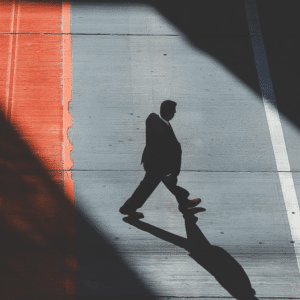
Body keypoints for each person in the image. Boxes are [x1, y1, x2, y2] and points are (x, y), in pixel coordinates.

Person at [120, 100, 201, 219]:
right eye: (173, 111)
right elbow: (163, 155)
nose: (175, 113)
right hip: (159, 168)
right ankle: (128, 208)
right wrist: (168, 173)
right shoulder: (162, 134)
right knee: (146, 188)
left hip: (151, 161)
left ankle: (184, 202)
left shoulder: (152, 118)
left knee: (169, 185)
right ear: (169, 113)